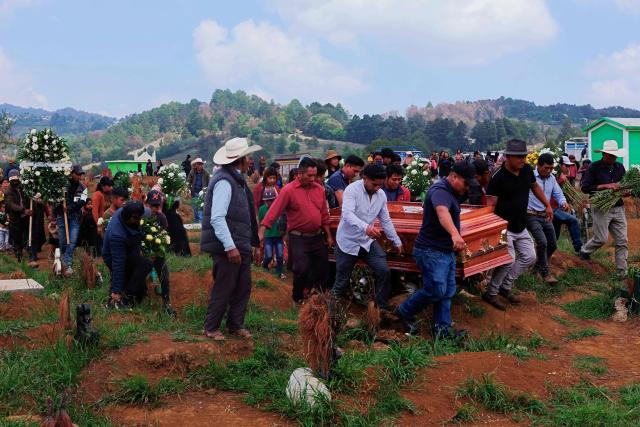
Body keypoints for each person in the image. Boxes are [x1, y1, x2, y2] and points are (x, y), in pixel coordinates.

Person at [395, 161, 476, 337]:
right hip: (431, 251)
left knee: (447, 292)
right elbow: (442, 212)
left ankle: (443, 330)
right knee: (436, 290)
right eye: (466, 183)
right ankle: (404, 311)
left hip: (445, 251)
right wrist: (455, 234)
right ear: (454, 177)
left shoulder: (452, 191)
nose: (467, 188)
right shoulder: (440, 190)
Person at [202, 137, 261, 341]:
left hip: (239, 243)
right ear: (242, 160)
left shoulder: (236, 181)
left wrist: (251, 243)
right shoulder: (225, 182)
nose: (251, 161)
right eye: (248, 157)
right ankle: (211, 327)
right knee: (225, 286)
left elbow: (244, 216)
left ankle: (236, 324)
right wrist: (230, 246)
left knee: (243, 285)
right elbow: (217, 217)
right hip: (229, 245)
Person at [483, 139, 553, 311]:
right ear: (507, 157)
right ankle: (491, 293)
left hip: (520, 225)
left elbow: (535, 187)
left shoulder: (527, 170)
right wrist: (490, 228)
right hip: (503, 227)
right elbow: (490, 205)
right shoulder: (497, 177)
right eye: (519, 157)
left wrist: (547, 204)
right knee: (508, 259)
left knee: (530, 256)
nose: (522, 160)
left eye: (524, 156)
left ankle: (505, 287)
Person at [260, 157, 334, 304]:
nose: (313, 179)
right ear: (300, 174)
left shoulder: (320, 189)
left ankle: (317, 299)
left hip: (317, 236)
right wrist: (262, 229)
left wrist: (329, 236)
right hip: (298, 237)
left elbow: (324, 214)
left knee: (323, 268)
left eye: (315, 175)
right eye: (310, 176)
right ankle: (297, 297)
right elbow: (275, 210)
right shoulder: (288, 190)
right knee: (301, 268)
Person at [331, 164, 403, 310]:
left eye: (380, 185)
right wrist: (366, 227)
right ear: (365, 178)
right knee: (341, 282)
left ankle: (380, 310)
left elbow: (385, 220)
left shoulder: (381, 195)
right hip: (348, 242)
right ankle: (330, 313)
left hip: (367, 242)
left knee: (383, 271)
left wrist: (396, 240)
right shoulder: (352, 190)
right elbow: (347, 214)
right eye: (374, 184)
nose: (377, 187)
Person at [579, 140, 628, 277]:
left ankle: (622, 273)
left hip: (618, 207)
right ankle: (584, 251)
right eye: (611, 155)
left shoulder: (620, 167)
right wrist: (605, 186)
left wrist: (626, 191)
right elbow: (585, 187)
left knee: (622, 241)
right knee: (601, 238)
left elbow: (623, 186)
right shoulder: (594, 167)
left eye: (615, 155)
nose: (614, 157)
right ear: (604, 154)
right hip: (601, 207)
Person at [525, 153, 569, 284]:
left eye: (551, 168)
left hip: (545, 216)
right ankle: (545, 273)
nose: (549, 170)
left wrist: (563, 202)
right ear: (538, 165)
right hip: (531, 215)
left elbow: (558, 193)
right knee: (542, 242)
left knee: (553, 244)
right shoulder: (530, 177)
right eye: (546, 168)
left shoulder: (551, 179)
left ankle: (536, 268)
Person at [103, 201, 152, 309]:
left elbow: (149, 212)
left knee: (140, 292)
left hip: (128, 248)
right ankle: (125, 297)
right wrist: (116, 290)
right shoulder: (117, 234)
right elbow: (118, 263)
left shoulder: (126, 211)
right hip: (112, 256)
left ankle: (130, 292)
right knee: (145, 265)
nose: (141, 220)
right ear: (132, 218)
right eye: (139, 218)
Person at [145, 189, 177, 316]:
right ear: (147, 203)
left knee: (164, 274)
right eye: (152, 205)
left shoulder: (162, 217)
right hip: (145, 252)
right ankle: (143, 300)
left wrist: (157, 251)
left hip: (158, 252)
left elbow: (163, 235)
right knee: (143, 276)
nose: (155, 208)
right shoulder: (142, 216)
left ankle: (166, 301)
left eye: (157, 205)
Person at [54, 165, 88, 277]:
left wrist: (70, 208)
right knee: (63, 242)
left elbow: (83, 202)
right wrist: (61, 207)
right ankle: (62, 262)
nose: (79, 176)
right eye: (77, 174)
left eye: (81, 174)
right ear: (72, 173)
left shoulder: (83, 188)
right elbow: (54, 200)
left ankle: (67, 264)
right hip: (61, 216)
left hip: (74, 217)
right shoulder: (62, 185)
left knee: (72, 241)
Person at [4, 170, 32, 263]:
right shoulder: (8, 191)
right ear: (10, 180)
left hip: (25, 217)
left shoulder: (22, 188)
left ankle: (23, 251)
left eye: (16, 180)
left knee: (24, 235)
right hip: (15, 217)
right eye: (13, 180)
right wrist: (24, 210)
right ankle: (18, 254)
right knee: (17, 237)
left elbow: (27, 198)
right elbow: (11, 205)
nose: (15, 182)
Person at [258, 188, 286, 279]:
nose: (270, 202)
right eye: (268, 200)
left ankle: (278, 273)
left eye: (272, 200)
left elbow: (284, 223)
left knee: (280, 256)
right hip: (268, 236)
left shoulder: (280, 209)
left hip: (278, 236)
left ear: (275, 199)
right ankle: (264, 268)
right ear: (265, 201)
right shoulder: (262, 209)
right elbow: (260, 223)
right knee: (269, 256)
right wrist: (260, 238)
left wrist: (284, 236)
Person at [187, 158, 210, 223]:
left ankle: (200, 224)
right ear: (196, 165)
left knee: (200, 209)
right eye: (199, 164)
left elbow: (209, 184)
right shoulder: (192, 172)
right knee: (195, 209)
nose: (200, 165)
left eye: (201, 164)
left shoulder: (206, 173)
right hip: (194, 193)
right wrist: (188, 190)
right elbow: (188, 182)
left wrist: (207, 192)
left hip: (202, 194)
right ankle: (196, 223)